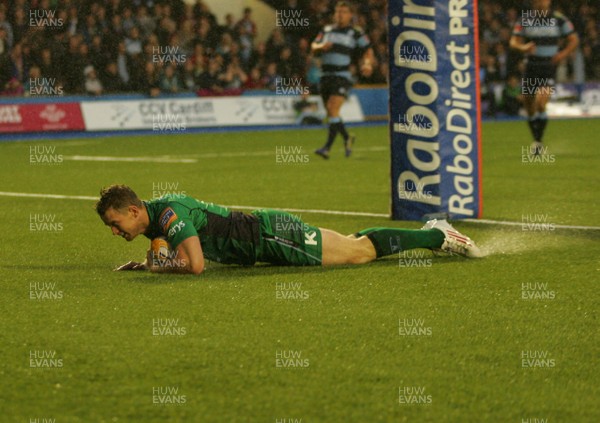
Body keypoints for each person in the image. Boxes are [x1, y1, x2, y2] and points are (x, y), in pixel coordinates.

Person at [95, 185, 482, 275]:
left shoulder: (168, 214)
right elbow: (164, 251)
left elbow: (194, 264)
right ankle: (430, 233)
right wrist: (151, 261)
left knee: (360, 253)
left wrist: (159, 267)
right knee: (352, 244)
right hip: (264, 234)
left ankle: (440, 235)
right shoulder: (155, 218)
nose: (114, 232)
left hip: (270, 236)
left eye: (115, 224)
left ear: (132, 210)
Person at [509, 0, 578, 155]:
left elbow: (574, 40)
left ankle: (538, 143)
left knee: (541, 100)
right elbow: (513, 42)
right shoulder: (526, 19)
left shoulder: (559, 19)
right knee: (529, 106)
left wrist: (562, 55)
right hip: (531, 66)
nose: (542, 3)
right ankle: (537, 141)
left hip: (548, 66)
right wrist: (523, 47)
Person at [312, 1, 375, 159]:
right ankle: (347, 138)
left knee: (333, 109)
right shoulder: (326, 30)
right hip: (325, 75)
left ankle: (326, 148)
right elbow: (313, 46)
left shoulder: (355, 32)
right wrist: (321, 47)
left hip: (342, 76)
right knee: (331, 113)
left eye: (344, 12)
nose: (340, 15)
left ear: (350, 15)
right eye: (338, 12)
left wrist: (367, 64)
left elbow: (367, 50)